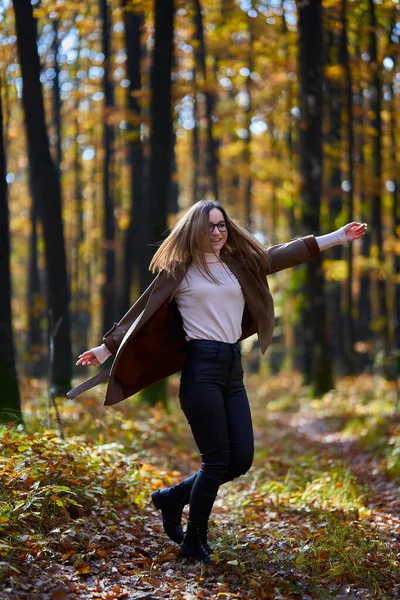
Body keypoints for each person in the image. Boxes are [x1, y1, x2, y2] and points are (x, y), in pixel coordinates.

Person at [70, 200, 367, 564]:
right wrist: (104, 349)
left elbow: (280, 254)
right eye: (209, 226)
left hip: (232, 368)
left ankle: (173, 497)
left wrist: (338, 237)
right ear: (195, 229)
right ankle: (194, 540)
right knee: (216, 461)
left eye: (222, 225)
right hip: (201, 369)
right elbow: (141, 310)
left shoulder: (239, 263)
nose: (217, 232)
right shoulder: (179, 270)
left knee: (241, 459)